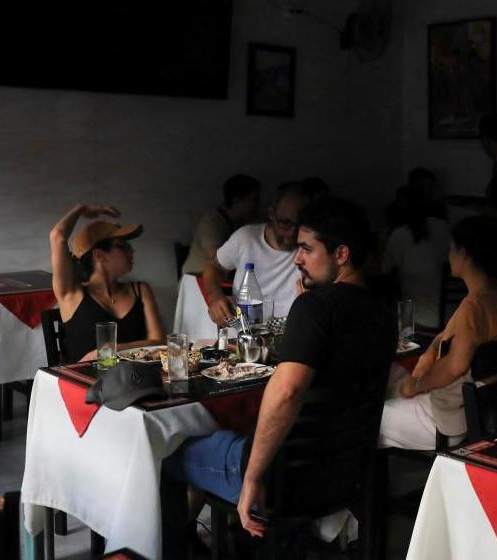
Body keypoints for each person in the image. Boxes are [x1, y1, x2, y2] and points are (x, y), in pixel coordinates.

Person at [160, 198, 394, 556]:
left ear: (341, 254)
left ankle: (180, 550)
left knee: (166, 455)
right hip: (345, 469)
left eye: (306, 248)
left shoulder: (315, 308)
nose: (297, 258)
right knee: (229, 432)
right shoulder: (383, 307)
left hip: (288, 480)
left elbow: (287, 393)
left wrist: (252, 478)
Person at [378, 216, 497, 450]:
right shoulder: (495, 293)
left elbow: (455, 366)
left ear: (465, 253)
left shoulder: (474, 306)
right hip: (475, 409)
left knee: (366, 418)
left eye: (451, 248)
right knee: (391, 373)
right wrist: (431, 351)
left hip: (447, 421)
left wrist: (417, 386)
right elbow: (452, 333)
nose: (448, 255)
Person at [49, 204, 164, 363]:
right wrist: (81, 209)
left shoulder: (140, 290)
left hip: (133, 381)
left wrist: (111, 351)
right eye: (123, 246)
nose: (132, 251)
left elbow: (159, 343)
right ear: (99, 255)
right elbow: (57, 236)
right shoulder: (72, 294)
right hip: (84, 384)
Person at [202, 182, 312, 326]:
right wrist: (215, 296)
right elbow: (213, 267)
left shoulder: (310, 248)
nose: (292, 233)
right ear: (272, 214)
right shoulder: (246, 238)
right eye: (285, 223)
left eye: (299, 224)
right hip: (244, 331)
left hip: (289, 333)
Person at [381, 184, 450, 331]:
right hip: (452, 312)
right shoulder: (445, 228)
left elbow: (385, 268)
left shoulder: (400, 234)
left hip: (415, 317)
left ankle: (405, 346)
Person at [181, 174, 261, 276]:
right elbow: (216, 260)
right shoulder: (211, 221)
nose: (257, 206)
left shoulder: (241, 224)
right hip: (197, 279)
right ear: (236, 201)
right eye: (254, 200)